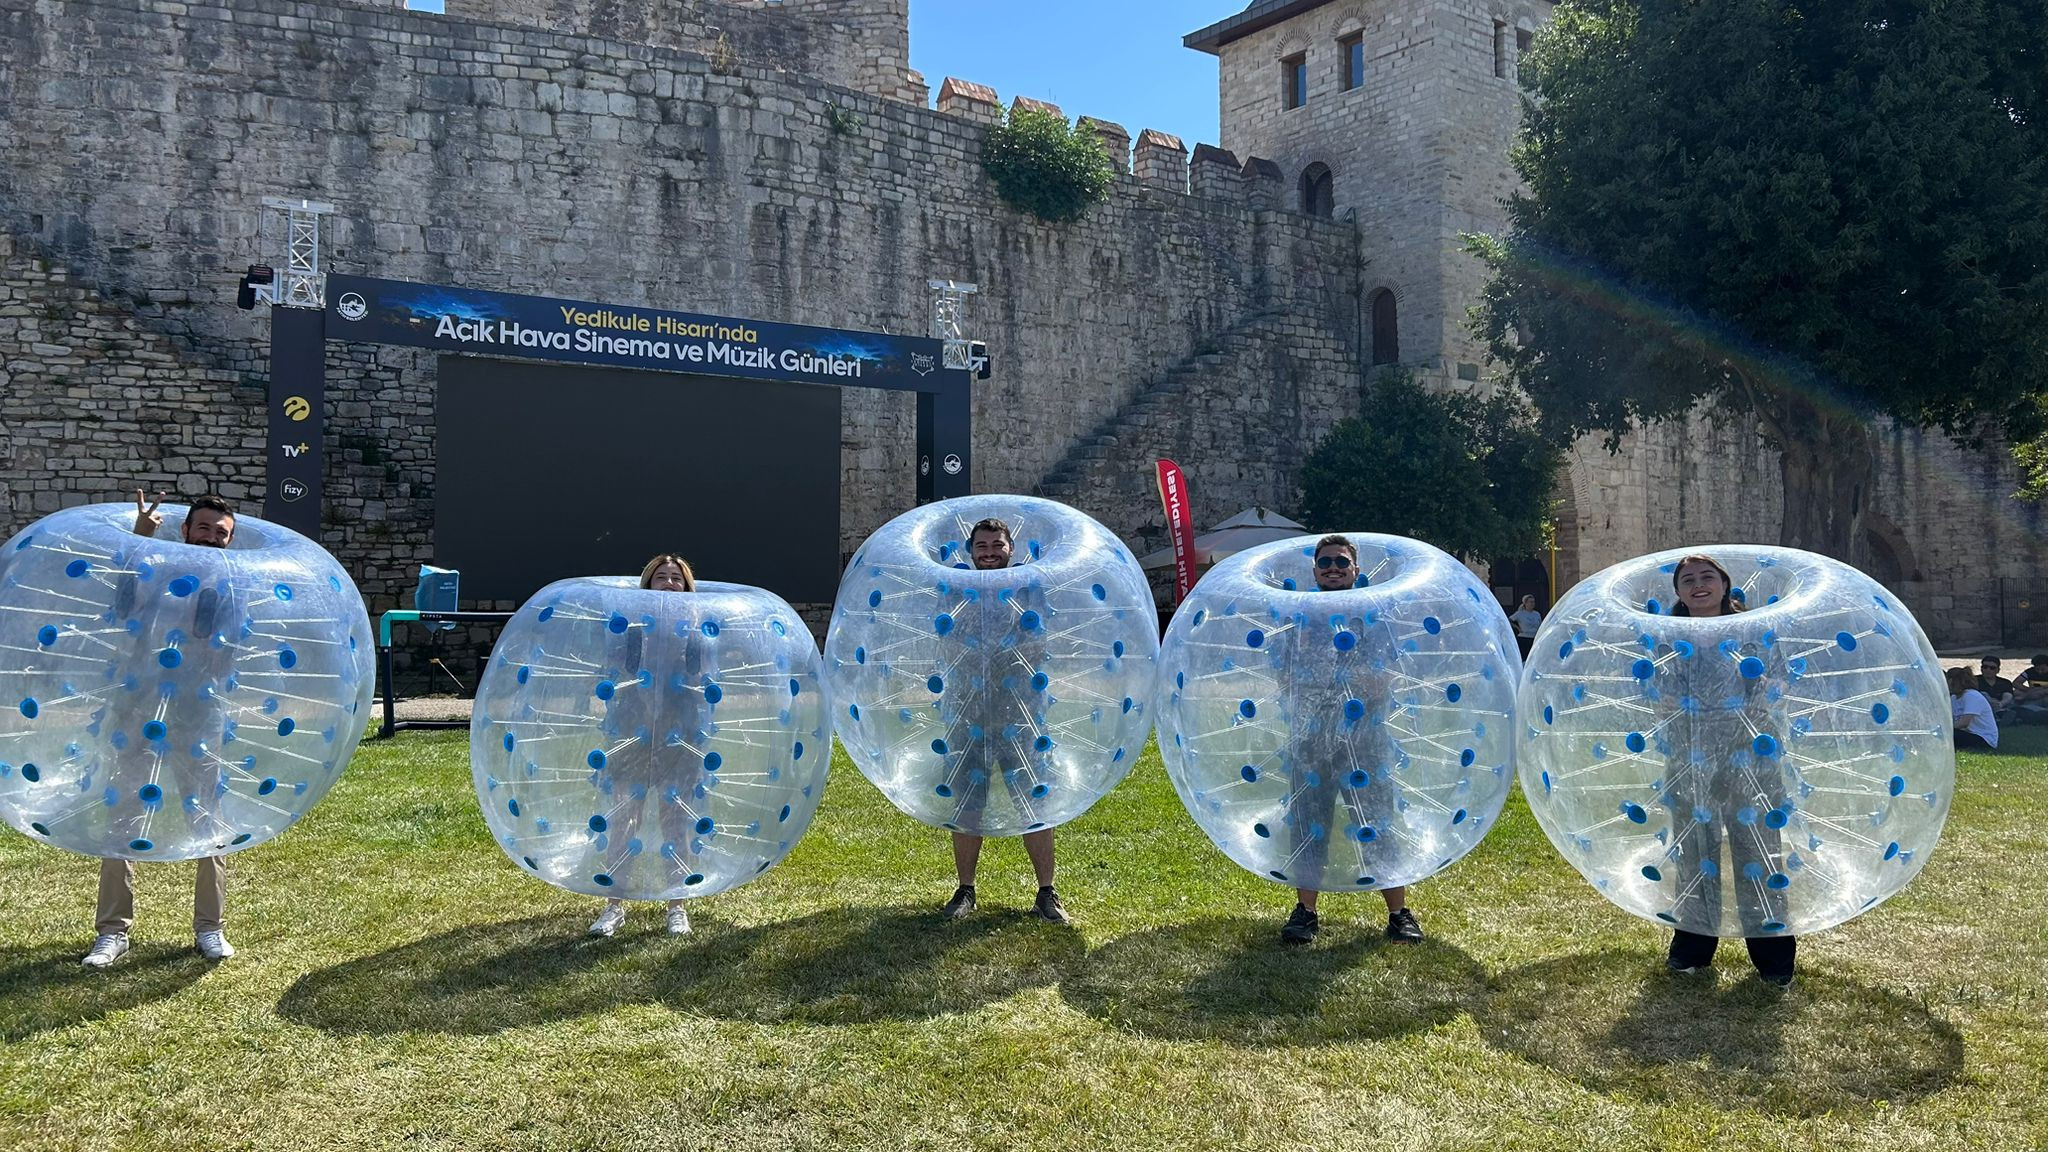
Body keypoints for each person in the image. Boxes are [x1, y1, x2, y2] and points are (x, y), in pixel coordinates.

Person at [83, 491, 240, 969]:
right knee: (124, 817)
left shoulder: (233, 582)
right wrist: (140, 539)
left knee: (207, 821)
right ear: (185, 530)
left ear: (228, 541)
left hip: (198, 714)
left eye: (220, 533)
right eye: (203, 528)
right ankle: (112, 932)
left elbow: (228, 648)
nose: (210, 537)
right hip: (139, 708)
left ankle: (210, 927)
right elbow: (122, 607)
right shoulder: (155, 568)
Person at [1658, 554, 1797, 987]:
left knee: (1758, 849)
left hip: (1751, 753)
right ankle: (1691, 949)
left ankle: (1774, 960)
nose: (1698, 584)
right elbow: (1659, 693)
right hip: (1690, 755)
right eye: (1688, 580)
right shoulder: (1668, 639)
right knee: (1694, 851)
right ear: (1678, 592)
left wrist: (1762, 700)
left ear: (1724, 584)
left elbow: (1777, 683)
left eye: (1707, 577)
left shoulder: (1753, 633)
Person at [1279, 534, 1424, 946]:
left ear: (1356, 570)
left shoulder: (1372, 616)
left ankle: (1398, 914)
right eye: (1325, 562)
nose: (1333, 569)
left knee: (1377, 823)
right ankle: (1305, 912)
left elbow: (1387, 675)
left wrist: (1353, 683)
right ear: (1314, 570)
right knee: (1309, 825)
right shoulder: (1300, 619)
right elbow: (1284, 676)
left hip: (1365, 741)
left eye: (1341, 562)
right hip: (1311, 740)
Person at [939, 518, 1069, 925]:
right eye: (982, 546)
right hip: (968, 712)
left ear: (1012, 549)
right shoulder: (957, 590)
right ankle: (965, 890)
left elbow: (1040, 641)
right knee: (967, 805)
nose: (990, 552)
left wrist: (1006, 658)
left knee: (1033, 802)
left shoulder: (1028, 589)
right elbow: (946, 642)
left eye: (998, 545)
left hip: (1021, 712)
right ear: (970, 551)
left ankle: (1046, 892)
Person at [588, 554, 702, 938]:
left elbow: (703, 678)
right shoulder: (631, 628)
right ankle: (614, 906)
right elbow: (616, 670)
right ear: (648, 585)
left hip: (679, 734)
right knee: (623, 818)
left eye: (676, 578)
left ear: (687, 587)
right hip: (632, 732)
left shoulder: (697, 631)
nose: (669, 583)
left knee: (676, 821)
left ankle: (677, 907)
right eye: (661, 577)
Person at [1949, 665, 2000, 750]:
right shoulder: (1953, 698)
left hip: (1983, 738)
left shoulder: (1971, 696)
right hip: (1967, 733)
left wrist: (1946, 730)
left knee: (1950, 734)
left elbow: (1964, 723)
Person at [1509, 594, 1543, 659]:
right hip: (1524, 638)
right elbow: (1509, 620)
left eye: (1533, 602)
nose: (1532, 604)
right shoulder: (1520, 613)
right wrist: (1517, 628)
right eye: (1530, 602)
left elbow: (1540, 624)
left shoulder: (1537, 614)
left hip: (1534, 638)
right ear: (1525, 603)